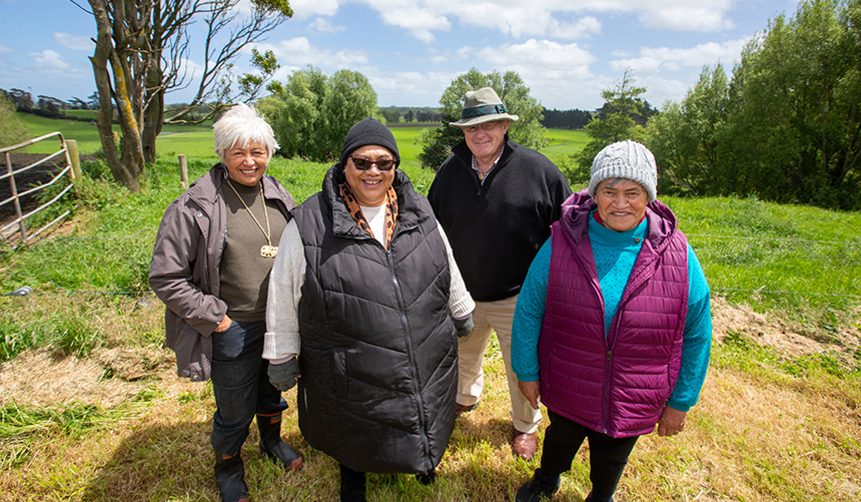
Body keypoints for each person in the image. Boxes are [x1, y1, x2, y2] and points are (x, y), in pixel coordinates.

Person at [264, 118, 475, 502]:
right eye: (362, 162)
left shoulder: (418, 209)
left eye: (384, 163)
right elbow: (283, 289)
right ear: (344, 166)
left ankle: (424, 461)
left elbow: (443, 256)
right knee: (354, 418)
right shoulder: (311, 222)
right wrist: (280, 353)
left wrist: (460, 307)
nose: (373, 171)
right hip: (349, 356)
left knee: (424, 404)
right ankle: (353, 478)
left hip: (424, 345)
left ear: (395, 166)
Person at [511, 140, 712, 502]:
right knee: (560, 438)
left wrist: (682, 400)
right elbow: (529, 309)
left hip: (633, 392)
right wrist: (527, 371)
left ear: (649, 195)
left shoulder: (679, 254)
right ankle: (547, 478)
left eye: (632, 192)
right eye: (610, 191)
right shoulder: (561, 242)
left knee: (612, 455)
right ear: (594, 194)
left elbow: (697, 332)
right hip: (569, 380)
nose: (620, 203)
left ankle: (602, 495)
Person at [149, 103, 301, 502]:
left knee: (272, 392)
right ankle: (229, 466)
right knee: (234, 408)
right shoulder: (194, 207)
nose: (250, 161)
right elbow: (165, 277)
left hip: (279, 323)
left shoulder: (280, 198)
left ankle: (271, 442)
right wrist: (217, 319)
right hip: (233, 327)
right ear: (222, 153)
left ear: (269, 152)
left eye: (258, 151)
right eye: (239, 152)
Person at [427, 87, 572, 460]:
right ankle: (464, 397)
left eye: (489, 125)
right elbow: (432, 226)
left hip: (518, 296)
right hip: (462, 294)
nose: (480, 134)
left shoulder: (538, 170)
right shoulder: (450, 170)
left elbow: (567, 230)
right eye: (472, 127)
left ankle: (526, 425)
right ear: (463, 132)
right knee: (461, 353)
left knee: (521, 365)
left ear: (505, 125)